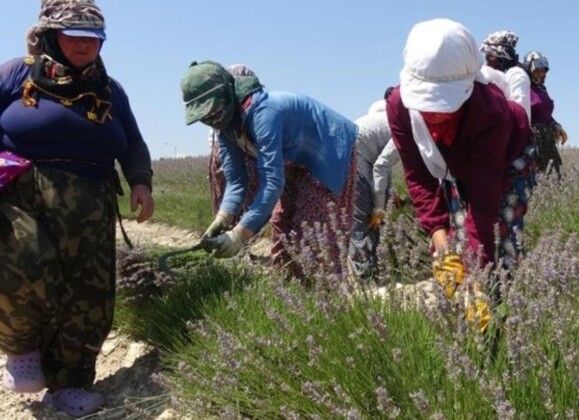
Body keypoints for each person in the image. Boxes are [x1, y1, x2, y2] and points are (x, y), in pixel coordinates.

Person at [0, 0, 154, 416]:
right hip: (22, 192)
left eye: (94, 39)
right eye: (75, 36)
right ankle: (20, 348)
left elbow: (134, 142)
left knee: (88, 295)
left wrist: (141, 181)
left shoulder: (110, 90)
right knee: (26, 266)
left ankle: (69, 383)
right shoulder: (16, 73)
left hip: (92, 200)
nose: (85, 46)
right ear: (50, 34)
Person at [387, 18, 535, 330]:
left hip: (510, 157)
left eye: (445, 102)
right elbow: (419, 178)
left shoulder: (489, 109)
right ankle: (468, 319)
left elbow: (483, 205)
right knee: (453, 242)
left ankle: (506, 322)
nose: (436, 113)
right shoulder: (399, 105)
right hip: (455, 162)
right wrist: (441, 249)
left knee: (500, 240)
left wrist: (476, 282)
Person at [180, 61, 359, 280]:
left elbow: (272, 183)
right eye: (204, 117)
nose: (211, 120)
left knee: (314, 231)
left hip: (328, 150)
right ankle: (290, 291)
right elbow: (236, 181)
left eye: (213, 112)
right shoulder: (226, 129)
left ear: (227, 96)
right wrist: (222, 219)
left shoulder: (264, 112)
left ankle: (326, 299)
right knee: (282, 225)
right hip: (295, 159)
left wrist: (238, 235)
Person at [348, 88, 401, 278]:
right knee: (363, 216)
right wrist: (380, 206)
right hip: (354, 153)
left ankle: (376, 269)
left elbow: (384, 165)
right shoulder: (404, 127)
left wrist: (389, 194)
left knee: (369, 214)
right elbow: (381, 166)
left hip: (354, 150)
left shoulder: (392, 121)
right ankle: (365, 277)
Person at [207, 64, 260, 216]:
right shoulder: (226, 117)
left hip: (239, 155)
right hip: (233, 155)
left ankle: (241, 229)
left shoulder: (253, 111)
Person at [524, 51, 567, 179]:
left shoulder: (542, 89)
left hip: (547, 138)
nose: (541, 74)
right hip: (532, 139)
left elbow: (545, 114)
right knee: (536, 176)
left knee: (555, 177)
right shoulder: (524, 89)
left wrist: (555, 125)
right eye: (537, 71)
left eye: (543, 71)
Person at [479, 30, 532, 123]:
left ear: (502, 57)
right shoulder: (500, 76)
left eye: (490, 57)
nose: (487, 63)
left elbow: (519, 115)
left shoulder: (516, 75)